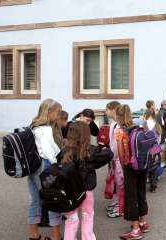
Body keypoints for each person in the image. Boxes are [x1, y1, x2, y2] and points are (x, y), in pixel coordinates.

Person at [62, 121, 113, 240]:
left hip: (69, 191)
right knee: (87, 216)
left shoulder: (64, 152)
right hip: (86, 191)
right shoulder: (90, 151)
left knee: (71, 219)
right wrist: (102, 145)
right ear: (86, 134)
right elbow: (108, 154)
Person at [29, 99, 62, 240]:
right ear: (50, 112)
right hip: (45, 166)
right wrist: (58, 164)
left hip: (32, 166)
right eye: (57, 112)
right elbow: (49, 151)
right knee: (52, 199)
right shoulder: (46, 128)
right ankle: (55, 236)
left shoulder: (33, 125)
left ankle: (34, 234)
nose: (58, 116)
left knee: (34, 199)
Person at [118, 106, 150, 240]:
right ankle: (142, 222)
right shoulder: (139, 126)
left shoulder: (120, 131)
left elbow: (120, 152)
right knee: (141, 192)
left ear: (118, 117)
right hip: (142, 164)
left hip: (130, 166)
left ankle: (135, 230)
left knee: (131, 196)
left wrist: (122, 166)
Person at [104, 101, 124, 218]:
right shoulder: (113, 124)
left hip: (117, 159)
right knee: (116, 182)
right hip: (113, 157)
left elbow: (117, 145)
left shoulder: (118, 125)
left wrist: (113, 157)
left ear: (112, 110)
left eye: (107, 110)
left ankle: (120, 208)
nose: (106, 112)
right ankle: (118, 202)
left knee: (120, 183)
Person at [144, 109, 159, 193]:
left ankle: (144, 183)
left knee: (146, 165)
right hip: (155, 146)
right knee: (154, 166)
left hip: (147, 147)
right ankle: (154, 186)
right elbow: (159, 137)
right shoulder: (156, 124)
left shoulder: (145, 124)